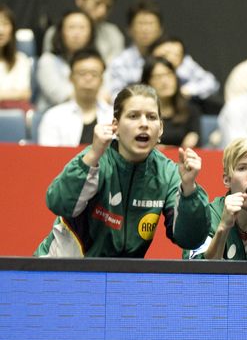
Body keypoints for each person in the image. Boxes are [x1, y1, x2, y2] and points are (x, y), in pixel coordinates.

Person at [34, 83, 209, 258]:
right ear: (115, 126)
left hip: (121, 277)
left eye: (151, 117)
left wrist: (189, 189)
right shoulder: (96, 158)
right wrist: (93, 156)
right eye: (133, 116)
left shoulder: (168, 173)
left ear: (161, 128)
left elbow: (190, 239)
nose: (144, 124)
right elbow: (58, 203)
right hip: (62, 268)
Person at [38, 48, 111, 147]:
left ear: (102, 80)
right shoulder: (53, 117)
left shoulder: (114, 116)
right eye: (82, 73)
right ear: (71, 77)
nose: (88, 78)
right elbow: (47, 157)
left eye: (94, 74)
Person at [36, 8, 95, 111]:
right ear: (61, 32)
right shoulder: (48, 61)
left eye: (82, 28)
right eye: (71, 27)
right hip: (52, 117)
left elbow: (106, 93)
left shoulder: (96, 62)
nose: (77, 34)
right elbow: (59, 95)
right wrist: (91, 96)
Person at [148, 35, 221, 114]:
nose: (171, 58)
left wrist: (187, 90)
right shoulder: (143, 68)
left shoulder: (186, 65)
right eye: (165, 54)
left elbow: (211, 83)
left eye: (177, 55)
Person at [107, 0, 163, 99]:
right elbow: (115, 97)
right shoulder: (120, 62)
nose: (145, 29)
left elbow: (200, 83)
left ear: (160, 30)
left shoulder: (171, 57)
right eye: (141, 24)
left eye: (150, 24)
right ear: (129, 29)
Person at [140, 56, 199, 149]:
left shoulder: (191, 110)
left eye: (169, 74)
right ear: (147, 82)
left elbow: (195, 142)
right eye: (158, 76)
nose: (165, 81)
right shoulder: (140, 112)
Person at [43, 0, 125, 64]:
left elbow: (114, 72)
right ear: (80, 0)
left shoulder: (113, 34)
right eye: (97, 3)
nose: (102, 11)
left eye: (108, 7)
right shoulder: (55, 32)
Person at [0, 4, 32, 110]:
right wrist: (13, 94)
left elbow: (25, 94)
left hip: (14, 115)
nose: (1, 30)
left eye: (5, 24)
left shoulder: (21, 60)